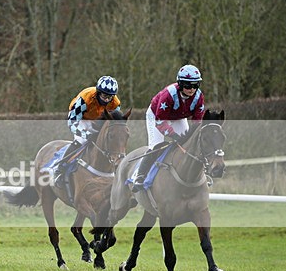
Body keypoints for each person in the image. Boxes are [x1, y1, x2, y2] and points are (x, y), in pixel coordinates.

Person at [130, 64, 206, 192]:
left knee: (189, 143)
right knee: (156, 146)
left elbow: (197, 122)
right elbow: (160, 122)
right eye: (188, 85)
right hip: (157, 116)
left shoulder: (199, 97)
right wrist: (173, 135)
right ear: (180, 83)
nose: (192, 89)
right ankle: (139, 176)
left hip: (178, 117)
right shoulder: (168, 95)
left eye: (195, 85)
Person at [52, 76, 121, 187]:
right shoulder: (86, 97)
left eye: (110, 97)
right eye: (104, 96)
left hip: (98, 120)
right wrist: (86, 134)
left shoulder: (115, 103)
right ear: (98, 92)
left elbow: (113, 124)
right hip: (81, 119)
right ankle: (60, 168)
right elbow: (71, 122)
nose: (107, 100)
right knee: (82, 140)